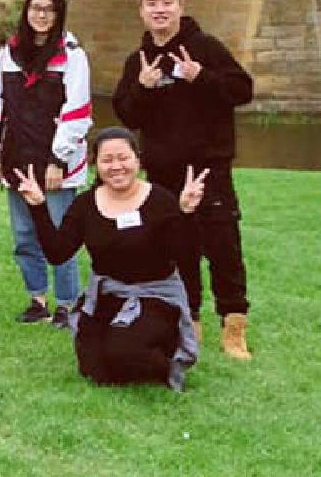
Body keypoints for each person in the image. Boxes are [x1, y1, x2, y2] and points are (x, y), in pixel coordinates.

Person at [112, 0, 256, 359]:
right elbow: (125, 114)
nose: (159, 9)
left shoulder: (206, 48)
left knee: (223, 245)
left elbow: (243, 90)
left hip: (209, 168)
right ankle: (190, 321)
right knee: (180, 249)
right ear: (142, 11)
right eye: (151, 3)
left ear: (180, 5)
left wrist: (201, 77)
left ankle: (234, 324)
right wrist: (142, 86)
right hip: (164, 174)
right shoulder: (138, 61)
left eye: (167, 1)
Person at [13, 127, 203, 391]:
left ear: (137, 159)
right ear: (96, 164)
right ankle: (125, 342)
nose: (116, 166)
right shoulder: (85, 205)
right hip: (109, 294)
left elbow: (184, 255)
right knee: (94, 368)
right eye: (107, 160)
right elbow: (58, 254)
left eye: (123, 158)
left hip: (156, 297)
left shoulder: (160, 200)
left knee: (122, 353)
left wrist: (186, 214)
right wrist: (37, 206)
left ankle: (169, 351)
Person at [0, 0, 93, 329]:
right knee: (25, 237)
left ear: (58, 13)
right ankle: (37, 300)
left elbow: (78, 111)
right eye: (35, 8)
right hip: (17, 158)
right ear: (26, 11)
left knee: (60, 235)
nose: (41, 15)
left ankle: (66, 304)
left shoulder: (72, 55)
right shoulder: (9, 52)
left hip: (55, 165)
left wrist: (59, 159)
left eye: (48, 9)